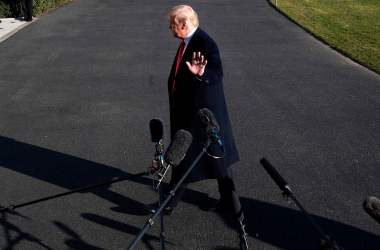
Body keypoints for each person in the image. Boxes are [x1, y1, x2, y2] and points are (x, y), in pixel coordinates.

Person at [150, 4, 248, 249]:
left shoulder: (205, 43)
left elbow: (215, 73)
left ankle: (169, 202)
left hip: (203, 114)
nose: (170, 29)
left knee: (186, 157)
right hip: (194, 112)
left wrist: (200, 74)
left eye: (173, 25)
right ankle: (229, 202)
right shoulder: (188, 42)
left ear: (184, 24)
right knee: (216, 160)